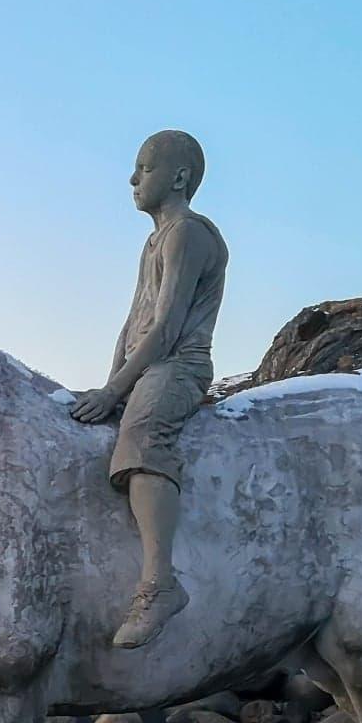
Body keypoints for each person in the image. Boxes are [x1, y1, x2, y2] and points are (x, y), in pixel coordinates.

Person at [69, 131, 227, 649]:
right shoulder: (155, 240)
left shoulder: (189, 233)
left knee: (141, 436)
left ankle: (159, 584)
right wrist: (110, 379)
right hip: (148, 363)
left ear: (179, 177)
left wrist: (117, 391)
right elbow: (132, 323)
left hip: (179, 365)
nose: (133, 179)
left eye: (144, 167)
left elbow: (165, 328)